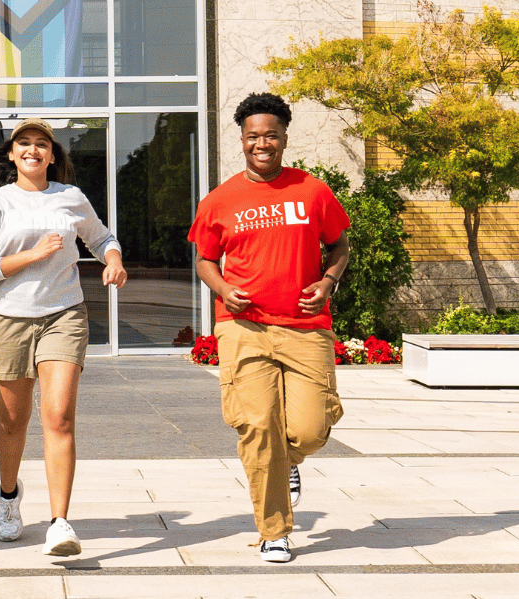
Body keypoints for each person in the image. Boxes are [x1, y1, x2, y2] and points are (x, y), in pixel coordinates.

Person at [187, 92, 351, 563]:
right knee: (258, 426)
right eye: (254, 135)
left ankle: (288, 462)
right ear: (241, 139)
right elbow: (204, 260)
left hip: (306, 327)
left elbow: (339, 247)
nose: (263, 143)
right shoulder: (221, 200)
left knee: (311, 428)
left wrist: (327, 281)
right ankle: (274, 530)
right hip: (243, 327)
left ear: (284, 138)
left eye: (271, 135)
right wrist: (223, 288)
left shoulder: (313, 191)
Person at [0, 118, 127, 556]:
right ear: (12, 154)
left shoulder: (70, 197)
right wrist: (31, 255)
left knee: (58, 417)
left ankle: (59, 522)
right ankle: (7, 496)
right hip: (8, 319)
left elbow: (102, 237)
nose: (33, 150)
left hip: (63, 314)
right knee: (13, 421)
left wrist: (112, 259)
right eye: (25, 144)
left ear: (53, 155)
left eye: (42, 144)